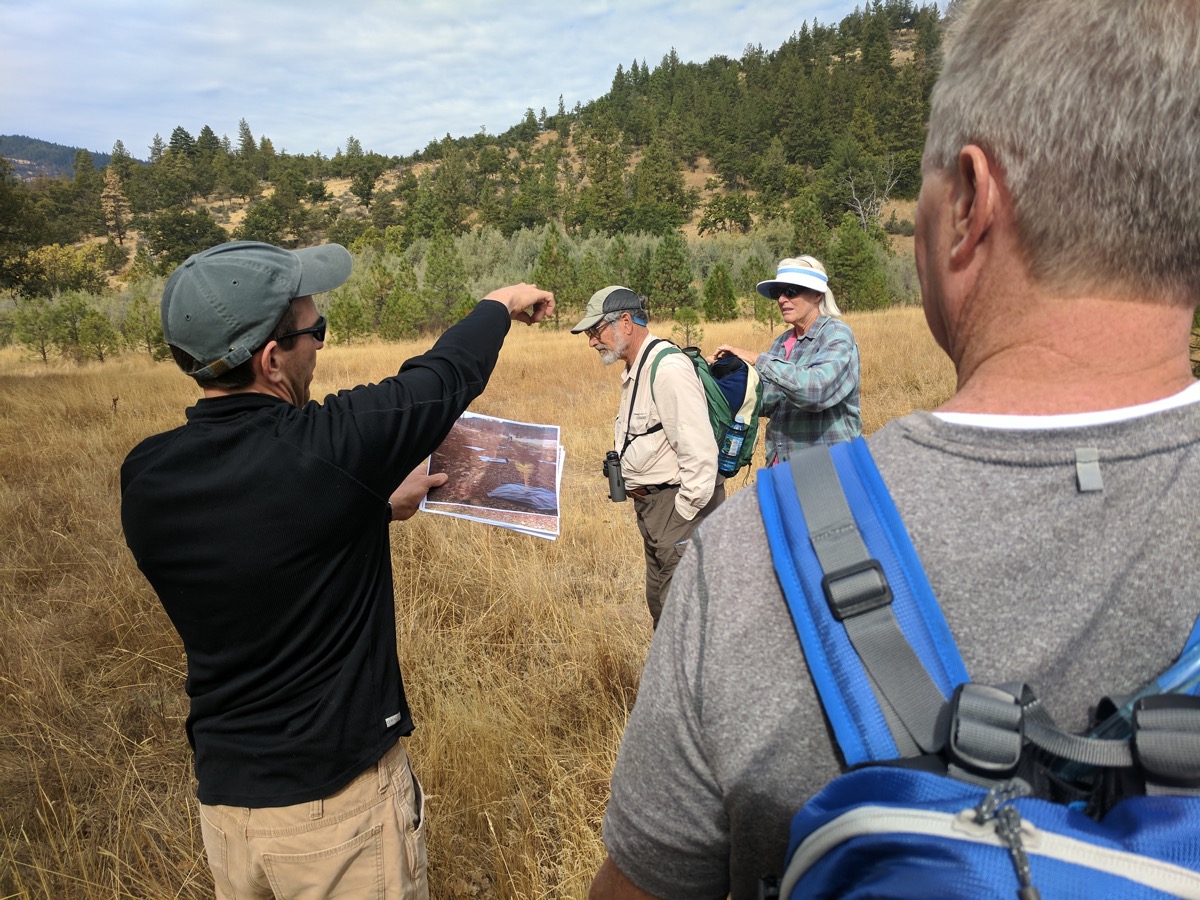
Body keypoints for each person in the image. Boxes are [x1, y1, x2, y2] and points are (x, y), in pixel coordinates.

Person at [590, 0, 1200, 896]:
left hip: (825, 531)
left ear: (968, 202)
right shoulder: (779, 394)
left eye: (796, 297)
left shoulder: (748, 561)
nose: (787, 307)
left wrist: (759, 376)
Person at [120, 239, 553, 899]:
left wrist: (373, 508)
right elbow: (442, 378)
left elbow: (265, 545)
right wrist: (501, 302)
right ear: (272, 359)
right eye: (314, 330)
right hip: (338, 815)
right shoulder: (325, 452)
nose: (320, 344)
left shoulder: (146, 475)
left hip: (228, 813)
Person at [573, 285, 723, 627]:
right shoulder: (638, 367)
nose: (592, 342)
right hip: (655, 511)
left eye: (596, 331)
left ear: (625, 322)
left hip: (678, 511)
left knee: (682, 622)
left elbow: (700, 456)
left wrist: (681, 516)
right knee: (664, 610)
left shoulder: (667, 369)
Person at [711, 255, 860, 464]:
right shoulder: (783, 342)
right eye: (777, 292)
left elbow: (816, 391)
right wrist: (726, 372)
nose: (781, 299)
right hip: (781, 465)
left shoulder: (836, 334)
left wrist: (757, 359)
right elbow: (767, 402)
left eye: (791, 291)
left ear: (817, 294)